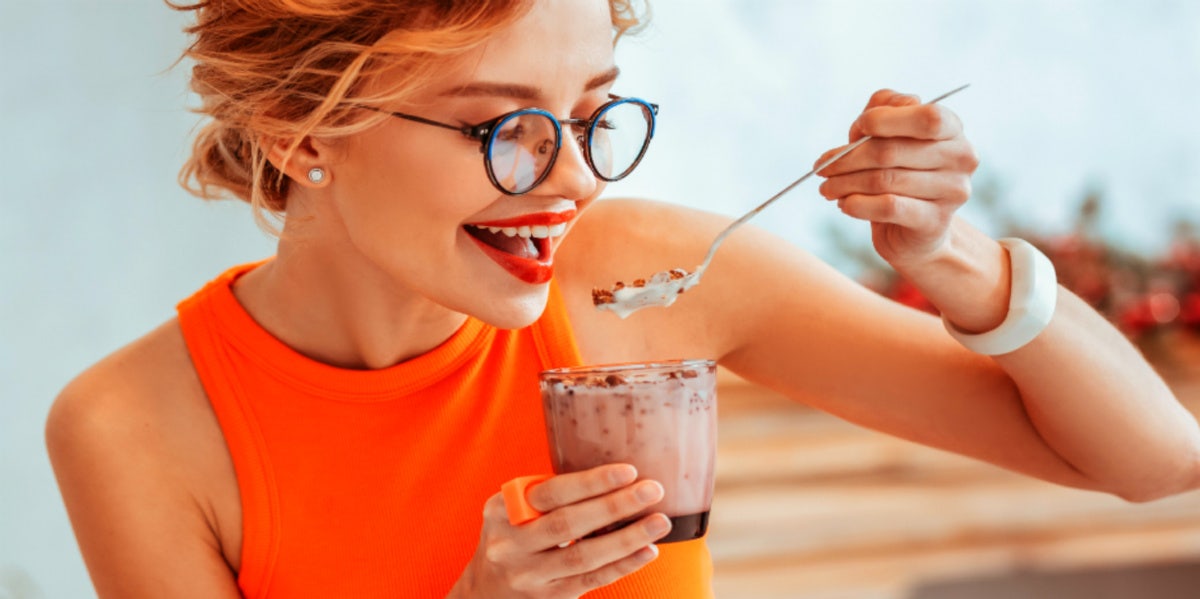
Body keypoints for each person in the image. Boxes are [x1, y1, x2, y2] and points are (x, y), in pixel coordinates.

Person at [44, 0, 1200, 597]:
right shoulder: (140, 427)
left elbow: (1151, 460)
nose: (577, 177)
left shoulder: (639, 281)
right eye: (504, 126)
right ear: (302, 133)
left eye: (595, 109)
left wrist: (956, 264)